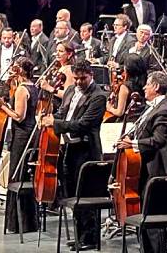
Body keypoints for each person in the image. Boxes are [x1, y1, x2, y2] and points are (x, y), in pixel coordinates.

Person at [39, 60, 107, 250]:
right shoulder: (69, 90)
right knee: (72, 193)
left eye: (82, 79)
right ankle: (80, 235)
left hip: (86, 151)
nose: (78, 82)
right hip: (69, 148)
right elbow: (62, 112)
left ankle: (91, 238)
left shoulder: (98, 96)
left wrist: (56, 124)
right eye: (76, 78)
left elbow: (84, 124)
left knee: (86, 195)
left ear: (90, 75)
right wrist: (49, 118)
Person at [116, 71, 167, 253]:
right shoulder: (151, 107)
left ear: (156, 87)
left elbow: (158, 140)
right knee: (145, 219)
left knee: (154, 220)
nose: (144, 87)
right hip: (144, 168)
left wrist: (131, 143)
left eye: (147, 84)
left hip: (154, 171)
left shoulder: (164, 109)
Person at [1, 57, 39, 233]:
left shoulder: (22, 90)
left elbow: (19, 116)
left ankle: (17, 223)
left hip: (22, 136)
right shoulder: (34, 86)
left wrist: (2, 107)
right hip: (31, 133)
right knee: (25, 175)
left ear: (20, 71)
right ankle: (28, 222)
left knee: (17, 176)